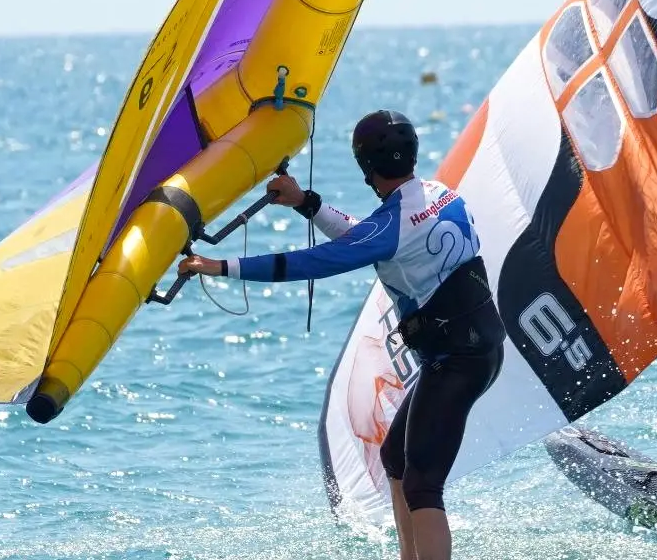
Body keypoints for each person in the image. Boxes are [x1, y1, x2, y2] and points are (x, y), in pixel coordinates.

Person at [179, 110, 503, 560]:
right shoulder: (439, 194)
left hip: (458, 359)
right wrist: (305, 203)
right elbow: (365, 237)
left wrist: (220, 267)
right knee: (395, 460)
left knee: (423, 484)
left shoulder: (392, 226)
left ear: (366, 167)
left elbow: (316, 262)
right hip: (472, 347)